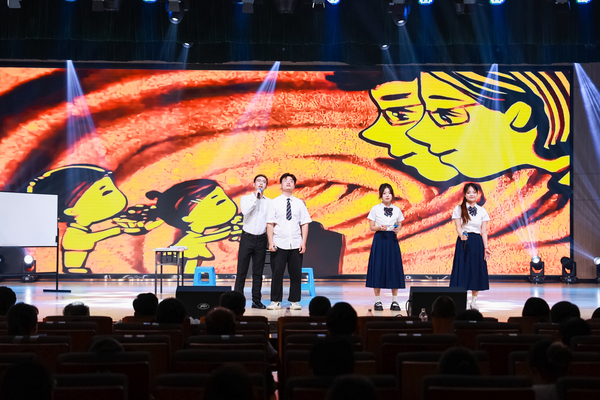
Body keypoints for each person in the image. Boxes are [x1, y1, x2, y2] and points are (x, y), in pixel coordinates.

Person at [266, 173, 312, 311]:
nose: (288, 182)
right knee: (277, 273)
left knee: (296, 274)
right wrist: (270, 242)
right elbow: (270, 224)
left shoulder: (299, 203)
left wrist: (303, 242)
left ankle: (294, 301)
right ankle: (275, 301)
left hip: (296, 243)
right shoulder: (274, 202)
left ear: (294, 185)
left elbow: (304, 223)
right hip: (279, 243)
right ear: (280, 185)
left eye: (291, 181)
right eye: (285, 180)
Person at [450, 183, 491, 310]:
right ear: (464, 194)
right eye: (468, 192)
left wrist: (486, 247)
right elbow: (458, 226)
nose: (471, 194)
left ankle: (474, 301)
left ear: (478, 194)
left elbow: (484, 231)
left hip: (477, 242)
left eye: (474, 192)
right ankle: (464, 300)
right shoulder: (458, 209)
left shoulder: (482, 211)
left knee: (475, 270)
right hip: (464, 241)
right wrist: (461, 235)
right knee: (463, 270)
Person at [366, 183, 405, 311]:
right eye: (384, 193)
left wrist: (398, 229)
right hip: (380, 239)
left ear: (392, 195)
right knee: (378, 268)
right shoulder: (375, 209)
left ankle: (395, 301)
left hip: (392, 240)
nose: (387, 195)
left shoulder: (397, 210)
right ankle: (378, 301)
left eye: (389, 193)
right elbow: (372, 227)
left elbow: (399, 225)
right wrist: (379, 227)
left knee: (394, 268)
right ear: (381, 195)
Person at [234, 174, 271, 309]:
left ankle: (256, 300)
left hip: (261, 239)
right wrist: (256, 198)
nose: (261, 183)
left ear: (266, 186)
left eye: (264, 182)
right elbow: (245, 211)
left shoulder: (269, 202)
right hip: (247, 238)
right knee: (242, 271)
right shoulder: (246, 199)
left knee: (258, 272)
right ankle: (237, 300)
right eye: (258, 181)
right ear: (254, 184)